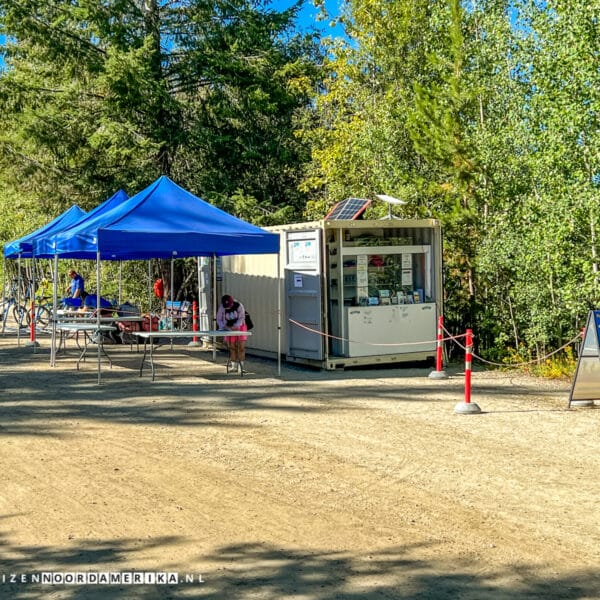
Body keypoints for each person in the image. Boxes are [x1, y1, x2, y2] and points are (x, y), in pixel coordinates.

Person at [216, 294, 248, 373]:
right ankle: (234, 366)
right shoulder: (222, 308)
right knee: (232, 347)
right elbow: (219, 319)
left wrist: (236, 325)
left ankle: (241, 367)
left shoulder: (239, 305)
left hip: (240, 327)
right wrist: (224, 326)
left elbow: (242, 317)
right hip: (228, 327)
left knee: (241, 347)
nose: (228, 308)